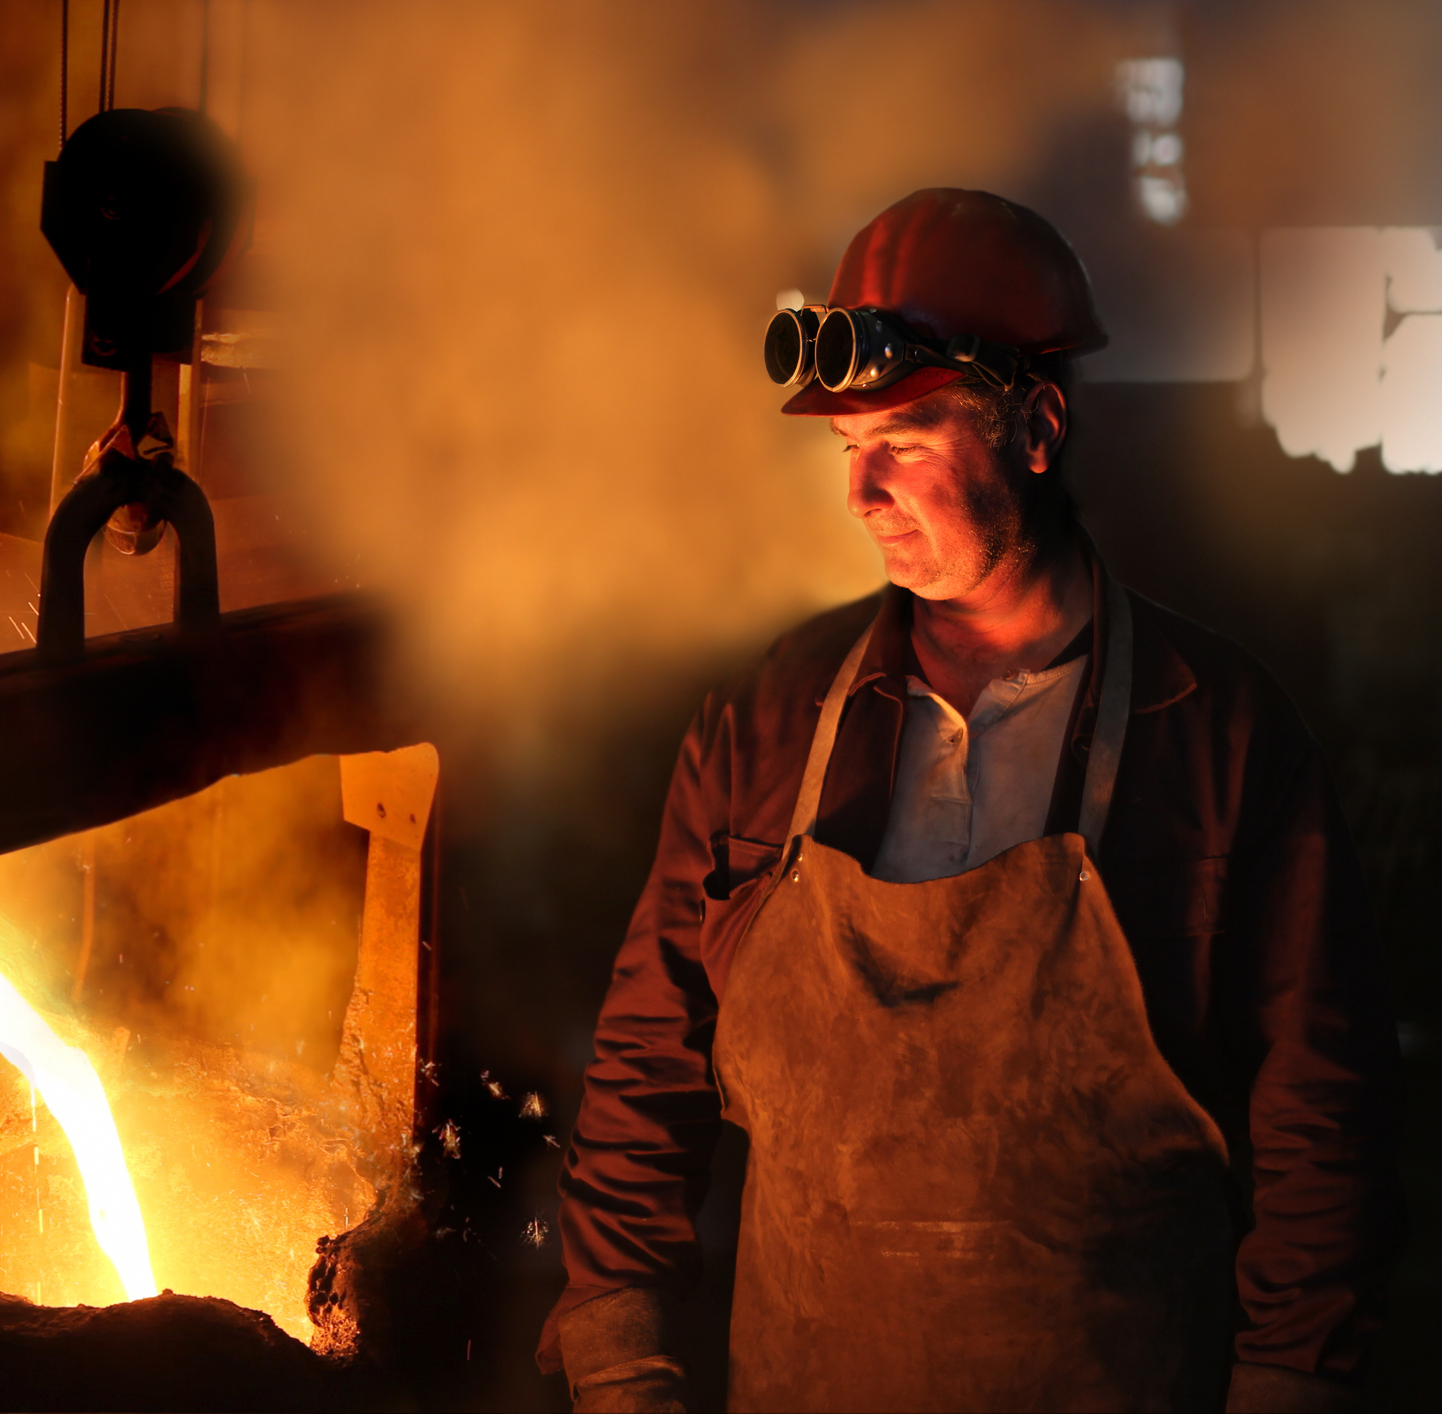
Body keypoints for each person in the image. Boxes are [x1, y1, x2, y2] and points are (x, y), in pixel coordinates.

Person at [539, 189, 1402, 1414]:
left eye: (905, 440)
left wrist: (1291, 1383)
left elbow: (1323, 1123)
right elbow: (646, 1064)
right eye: (847, 449)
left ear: (1037, 428)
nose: (862, 492)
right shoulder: (771, 721)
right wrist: (621, 1357)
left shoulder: (1217, 735)